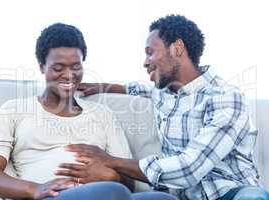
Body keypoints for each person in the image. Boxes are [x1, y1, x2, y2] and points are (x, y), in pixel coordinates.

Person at [64, 15, 269, 200]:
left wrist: (110, 160)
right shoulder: (163, 93)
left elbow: (189, 168)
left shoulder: (225, 97)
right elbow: (138, 89)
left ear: (177, 48)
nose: (145, 62)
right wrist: (101, 86)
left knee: (253, 197)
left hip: (229, 192)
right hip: (179, 197)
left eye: (150, 52)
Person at [0, 23, 175, 200]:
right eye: (58, 68)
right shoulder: (14, 110)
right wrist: (36, 189)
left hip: (107, 193)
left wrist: (111, 175)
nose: (69, 75)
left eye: (75, 66)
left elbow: (127, 183)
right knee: (112, 192)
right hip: (53, 195)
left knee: (161, 199)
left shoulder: (102, 114)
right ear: (41, 67)